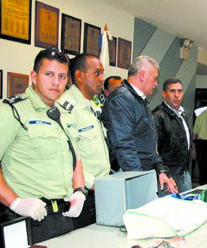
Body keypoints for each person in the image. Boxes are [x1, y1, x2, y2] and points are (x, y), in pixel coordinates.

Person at [0, 48, 86, 244]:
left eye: (62, 76)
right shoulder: (11, 112)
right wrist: (16, 202)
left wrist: (79, 191)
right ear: (34, 76)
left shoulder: (64, 115)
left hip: (62, 218)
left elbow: (76, 158)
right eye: (49, 74)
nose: (56, 82)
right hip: (24, 218)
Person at [105, 55, 177, 195]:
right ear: (142, 75)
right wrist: (139, 179)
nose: (156, 83)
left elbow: (149, 142)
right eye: (154, 78)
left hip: (143, 173)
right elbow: (124, 146)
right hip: (130, 176)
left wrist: (160, 170)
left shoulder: (140, 100)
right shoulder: (121, 99)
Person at [58, 53, 110, 229]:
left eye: (102, 73)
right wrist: (92, 183)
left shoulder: (90, 105)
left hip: (100, 191)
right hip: (83, 193)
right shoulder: (66, 108)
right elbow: (64, 157)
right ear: (79, 76)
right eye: (97, 73)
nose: (102, 78)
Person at [152, 78, 192, 195]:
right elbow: (154, 149)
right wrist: (165, 173)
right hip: (167, 176)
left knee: (187, 208)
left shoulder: (181, 114)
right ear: (164, 94)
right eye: (172, 91)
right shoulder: (158, 116)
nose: (176, 95)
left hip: (183, 172)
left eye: (179, 91)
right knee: (168, 210)